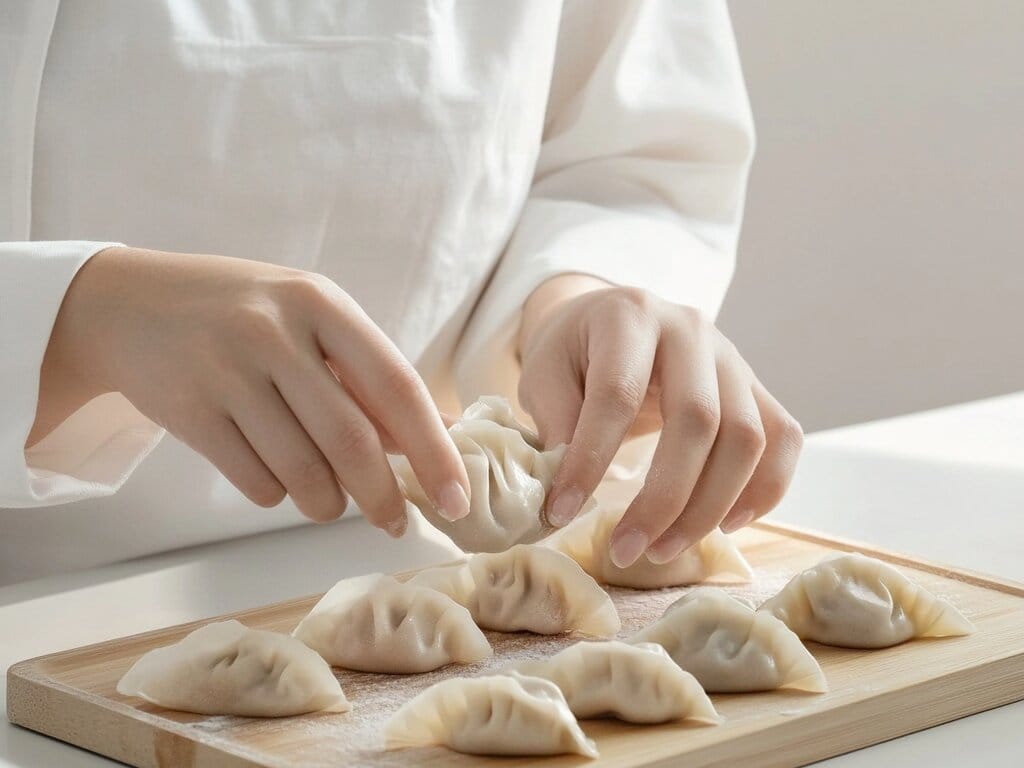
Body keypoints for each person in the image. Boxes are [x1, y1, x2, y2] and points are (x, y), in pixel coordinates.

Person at [0, 0, 802, 584]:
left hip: (422, 573)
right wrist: (73, 319)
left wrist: (570, 300)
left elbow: (624, 145)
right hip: (37, 610)